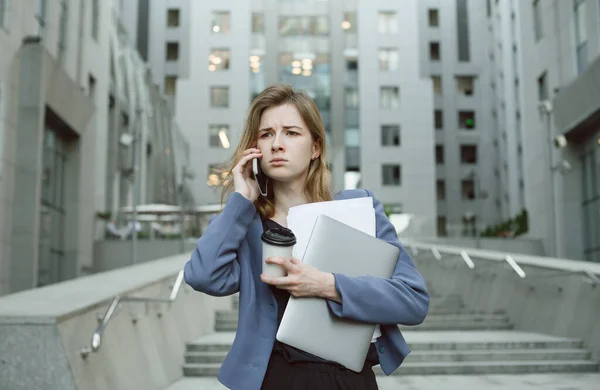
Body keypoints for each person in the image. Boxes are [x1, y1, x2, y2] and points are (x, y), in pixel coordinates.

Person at [184, 84, 429, 390]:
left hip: (347, 379)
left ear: (315, 148)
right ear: (255, 147)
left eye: (291, 132)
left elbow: (414, 301)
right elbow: (202, 276)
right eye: (266, 134)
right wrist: (241, 200)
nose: (277, 144)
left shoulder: (358, 209)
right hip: (274, 378)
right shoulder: (246, 225)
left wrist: (329, 285)